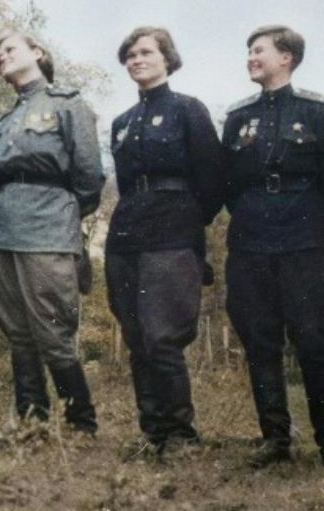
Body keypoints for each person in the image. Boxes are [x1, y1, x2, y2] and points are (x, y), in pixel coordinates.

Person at [222, 25, 324, 467]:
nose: (251, 58)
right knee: (259, 341)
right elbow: (228, 185)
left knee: (314, 339)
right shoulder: (238, 117)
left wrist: (313, 225)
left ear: (287, 57)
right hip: (251, 240)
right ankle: (275, 439)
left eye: (259, 50)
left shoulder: (317, 113)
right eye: (248, 51)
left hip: (305, 239)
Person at [106, 26, 225, 455]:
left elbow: (212, 178)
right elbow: (123, 182)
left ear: (167, 59)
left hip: (171, 234)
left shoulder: (187, 110)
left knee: (162, 337)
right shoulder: (122, 122)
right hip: (126, 234)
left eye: (144, 53)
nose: (136, 60)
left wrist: (189, 221)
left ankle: (180, 434)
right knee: (136, 336)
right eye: (129, 55)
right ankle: (152, 431)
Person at [0, 31, 104, 434]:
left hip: (47, 228)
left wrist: (60, 214)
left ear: (38, 54)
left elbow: (89, 177)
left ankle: (80, 421)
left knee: (52, 328)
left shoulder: (67, 105)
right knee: (17, 330)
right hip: (2, 230)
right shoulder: (6, 119)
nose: (3, 56)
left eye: (11, 48)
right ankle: (32, 419)